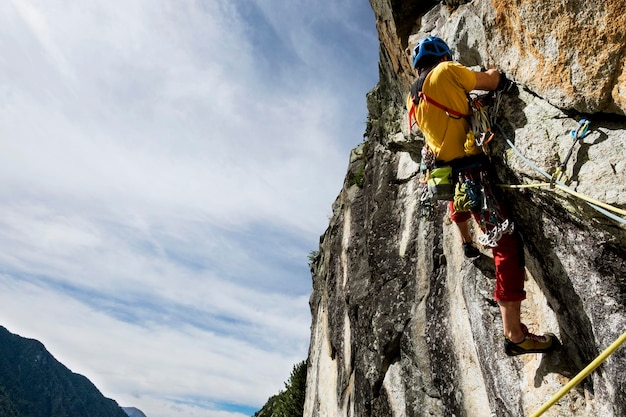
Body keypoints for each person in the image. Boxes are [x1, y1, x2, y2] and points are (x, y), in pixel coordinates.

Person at [407, 35, 558, 356]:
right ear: (444, 56)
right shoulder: (446, 72)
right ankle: (514, 334)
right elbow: (491, 81)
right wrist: (494, 76)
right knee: (505, 244)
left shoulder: (413, 97)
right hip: (471, 169)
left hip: (443, 168)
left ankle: (465, 243)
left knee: (457, 200)